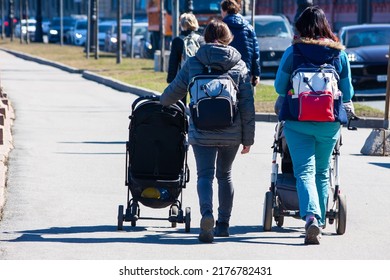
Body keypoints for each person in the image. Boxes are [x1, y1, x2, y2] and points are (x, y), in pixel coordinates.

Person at [160, 20, 255, 243]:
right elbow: (247, 106)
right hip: (232, 132)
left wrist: (161, 101)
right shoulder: (239, 65)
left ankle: (207, 215)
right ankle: (223, 224)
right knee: (225, 176)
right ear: (228, 37)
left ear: (205, 36)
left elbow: (173, 92)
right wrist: (248, 139)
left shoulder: (194, 62)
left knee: (205, 176)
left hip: (201, 131)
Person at [273, 6, 355, 245]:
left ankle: (310, 217)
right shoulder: (338, 54)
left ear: (302, 29)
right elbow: (348, 91)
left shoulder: (293, 52)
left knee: (304, 172)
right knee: (321, 171)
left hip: (298, 121)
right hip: (329, 122)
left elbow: (279, 87)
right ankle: (317, 219)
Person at [220, 0, 261, 87]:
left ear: (224, 10)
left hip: (225, 70)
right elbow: (255, 53)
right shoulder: (249, 27)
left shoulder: (221, 27)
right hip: (246, 70)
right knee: (245, 98)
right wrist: (256, 74)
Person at [166, 13, 204, 105]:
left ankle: (182, 118)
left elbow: (173, 62)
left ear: (182, 24)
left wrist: (170, 79)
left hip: (182, 77)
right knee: (197, 102)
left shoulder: (177, 41)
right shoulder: (201, 39)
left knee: (180, 104)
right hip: (198, 76)